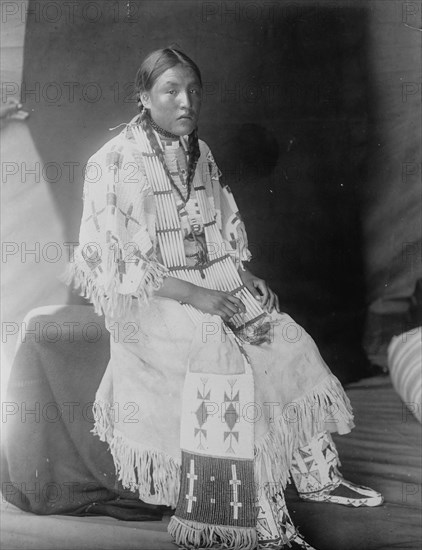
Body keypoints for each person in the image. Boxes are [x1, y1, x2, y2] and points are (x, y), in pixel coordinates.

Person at [68, 48, 383, 550]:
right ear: (143, 96)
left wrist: (244, 274)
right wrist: (197, 295)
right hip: (153, 302)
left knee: (286, 338)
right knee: (224, 364)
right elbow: (117, 265)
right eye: (171, 90)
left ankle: (317, 475)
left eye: (193, 89)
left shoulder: (201, 151)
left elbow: (216, 230)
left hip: (213, 282)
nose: (186, 100)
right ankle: (250, 515)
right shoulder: (114, 162)